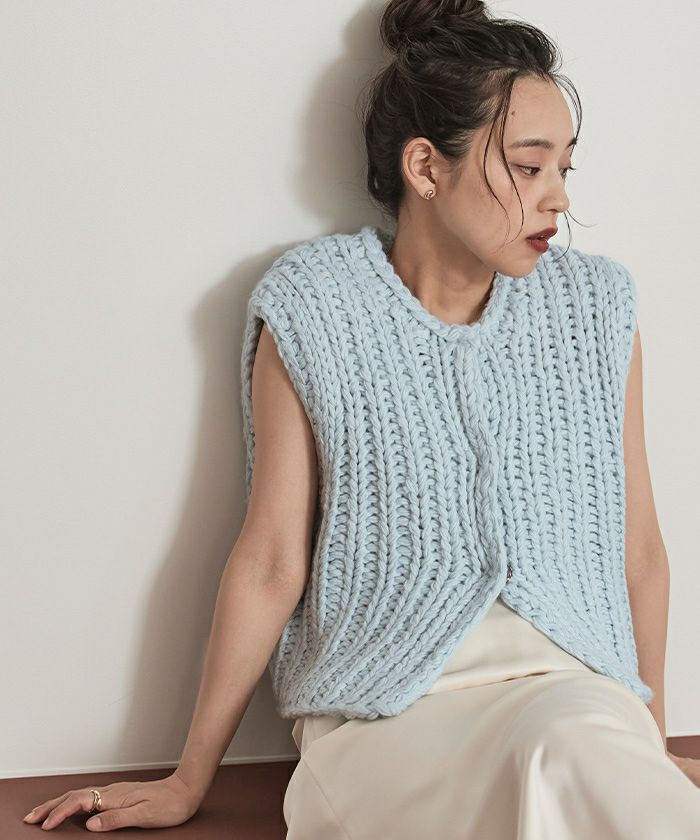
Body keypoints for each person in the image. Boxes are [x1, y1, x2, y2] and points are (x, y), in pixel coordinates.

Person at [23, 0, 700, 835]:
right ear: (425, 166)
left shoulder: (595, 308)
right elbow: (271, 561)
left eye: (565, 166)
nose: (558, 197)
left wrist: (648, 743)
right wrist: (188, 777)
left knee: (571, 749)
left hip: (575, 699)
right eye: (529, 167)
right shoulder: (316, 307)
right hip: (382, 716)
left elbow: (640, 553)